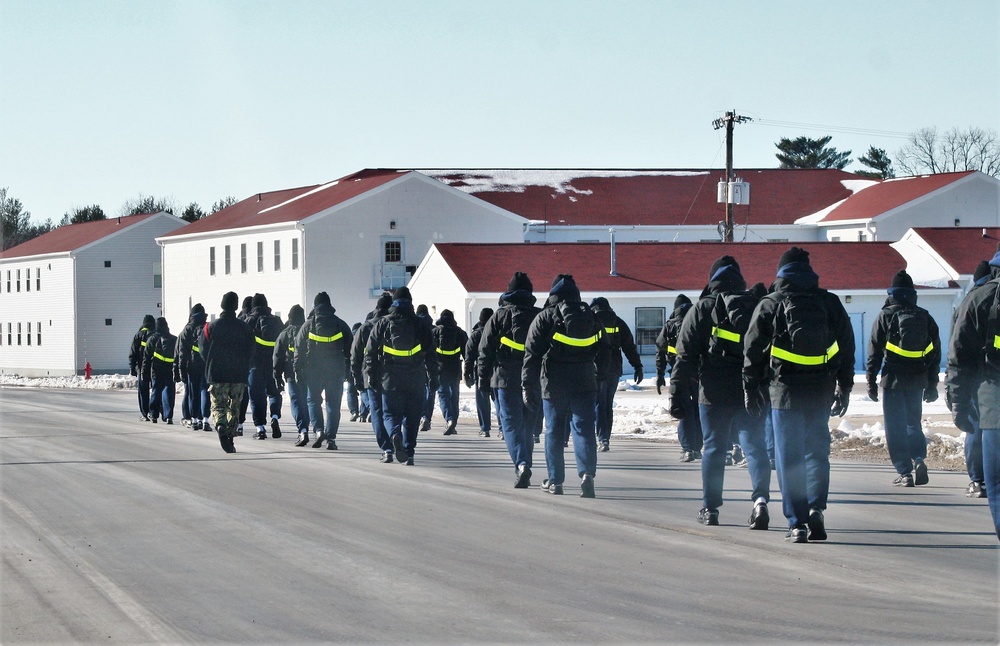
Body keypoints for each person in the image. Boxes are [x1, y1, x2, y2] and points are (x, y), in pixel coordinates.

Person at [744, 247, 855, 543]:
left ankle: (797, 523)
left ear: (780, 274)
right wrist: (844, 386)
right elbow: (846, 346)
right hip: (820, 390)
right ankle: (817, 509)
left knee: (789, 457)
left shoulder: (771, 303)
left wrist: (751, 387)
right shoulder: (829, 303)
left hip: (784, 392)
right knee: (817, 453)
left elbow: (752, 349)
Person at [671, 256, 771, 530]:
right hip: (752, 388)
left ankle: (710, 508)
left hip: (713, 391)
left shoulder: (702, 308)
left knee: (714, 448)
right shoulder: (758, 306)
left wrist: (676, 394)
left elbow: (685, 356)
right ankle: (760, 501)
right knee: (755, 446)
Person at [522, 274, 609, 498]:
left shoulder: (545, 317)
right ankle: (587, 475)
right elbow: (605, 350)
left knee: (554, 430)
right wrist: (600, 380)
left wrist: (527, 386)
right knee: (584, 430)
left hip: (554, 383)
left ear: (553, 295)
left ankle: (555, 481)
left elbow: (531, 354)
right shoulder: (590, 316)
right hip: (585, 382)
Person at [866, 270, 942, 488]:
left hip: (893, 380)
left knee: (895, 427)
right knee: (912, 423)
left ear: (892, 293)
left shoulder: (885, 315)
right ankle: (918, 458)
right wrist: (932, 383)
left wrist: (871, 380)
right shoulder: (925, 316)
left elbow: (874, 351)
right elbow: (934, 353)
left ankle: (904, 472)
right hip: (917, 380)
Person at [947, 248, 1000, 540]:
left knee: (998, 484)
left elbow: (959, 358)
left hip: (993, 405)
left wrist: (957, 401)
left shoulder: (978, 299)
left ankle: (976, 480)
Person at [479, 272, 542, 488]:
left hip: (504, 379)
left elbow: (484, 350)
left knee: (511, 424)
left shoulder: (499, 316)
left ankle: (522, 464)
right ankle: (525, 463)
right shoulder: (540, 315)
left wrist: (482, 378)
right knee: (527, 425)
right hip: (532, 379)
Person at [364, 287, 438, 466]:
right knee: (412, 417)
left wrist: (371, 376)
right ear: (411, 303)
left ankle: (395, 435)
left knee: (390, 415)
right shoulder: (421, 325)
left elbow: (370, 353)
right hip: (415, 379)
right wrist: (434, 377)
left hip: (390, 379)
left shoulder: (382, 323)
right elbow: (431, 355)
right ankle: (409, 452)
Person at [947, 260, 990, 499]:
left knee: (976, 428)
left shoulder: (969, 301)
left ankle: (978, 480)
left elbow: (957, 348)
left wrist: (954, 390)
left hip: (976, 377)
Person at [295, 292, 353, 450]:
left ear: (315, 306)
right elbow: (351, 351)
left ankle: (319, 430)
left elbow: (298, 348)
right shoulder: (340, 324)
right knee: (333, 404)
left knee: (313, 400)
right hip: (335, 370)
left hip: (314, 370)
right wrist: (349, 370)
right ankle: (331, 439)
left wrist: (297, 369)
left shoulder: (308, 324)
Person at [202, 291, 254, 453]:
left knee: (218, 405)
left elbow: (203, 350)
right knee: (234, 407)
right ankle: (230, 438)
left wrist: (211, 363)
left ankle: (220, 426)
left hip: (217, 374)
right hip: (238, 374)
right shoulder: (244, 328)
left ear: (222, 305)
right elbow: (251, 351)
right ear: (236, 306)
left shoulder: (210, 327)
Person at [590, 297, 644, 452]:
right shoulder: (618, 322)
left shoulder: (591, 321)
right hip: (614, 368)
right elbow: (629, 346)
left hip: (596, 367)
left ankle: (601, 438)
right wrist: (637, 366)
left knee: (599, 404)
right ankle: (605, 438)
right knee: (607, 404)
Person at [655, 294, 702, 462]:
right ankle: (697, 448)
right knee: (698, 411)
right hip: (698, 374)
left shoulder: (669, 326)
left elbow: (660, 351)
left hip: (677, 374)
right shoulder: (697, 321)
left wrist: (659, 374)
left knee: (684, 411)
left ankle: (687, 449)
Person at [352, 292, 395, 461]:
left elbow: (355, 354)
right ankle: (395, 437)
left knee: (376, 411)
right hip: (392, 375)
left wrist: (356, 376)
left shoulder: (365, 327)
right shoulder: (395, 325)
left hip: (370, 375)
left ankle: (386, 448)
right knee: (391, 411)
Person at [244, 293, 285, 440]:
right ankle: (274, 416)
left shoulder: (249, 321)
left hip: (254, 365)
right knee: (274, 393)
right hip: (273, 365)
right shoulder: (277, 321)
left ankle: (260, 428)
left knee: (256, 397)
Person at [274, 305, 311, 447]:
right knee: (308, 400)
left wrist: (277, 376)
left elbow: (277, 357)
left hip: (291, 374)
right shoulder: (308, 330)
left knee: (296, 401)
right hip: (309, 372)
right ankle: (309, 426)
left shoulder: (284, 333)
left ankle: (302, 430)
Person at [174, 303, 211, 432]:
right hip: (206, 366)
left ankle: (195, 420)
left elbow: (182, 353)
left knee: (193, 394)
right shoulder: (208, 327)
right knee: (205, 392)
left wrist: (181, 370)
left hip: (192, 366)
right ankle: (205, 420)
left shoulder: (187, 330)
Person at [432, 309, 468, 435]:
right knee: (454, 396)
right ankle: (454, 422)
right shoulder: (460, 332)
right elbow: (466, 353)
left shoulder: (435, 332)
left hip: (440, 368)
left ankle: (449, 419)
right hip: (455, 368)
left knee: (443, 394)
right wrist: (468, 371)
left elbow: (429, 351)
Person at [465, 307, 494, 437]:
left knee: (482, 401)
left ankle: (485, 428)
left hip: (480, 370)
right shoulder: (496, 331)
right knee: (498, 401)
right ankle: (502, 428)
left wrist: (467, 373)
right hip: (496, 370)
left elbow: (469, 355)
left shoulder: (476, 334)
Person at [143, 317, 177, 424]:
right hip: (170, 370)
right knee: (168, 392)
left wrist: (144, 372)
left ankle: (153, 414)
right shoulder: (173, 339)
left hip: (156, 370)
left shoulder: (152, 339)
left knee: (156, 391)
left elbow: (146, 358)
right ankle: (168, 416)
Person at [129, 314, 156, 421]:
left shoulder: (138, 335)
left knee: (143, 391)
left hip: (141, 367)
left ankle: (145, 413)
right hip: (154, 367)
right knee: (156, 389)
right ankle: (154, 411)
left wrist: (132, 367)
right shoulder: (155, 335)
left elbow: (133, 353)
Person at [415, 303, 435, 432]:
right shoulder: (433, 328)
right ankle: (427, 416)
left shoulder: (415, 326)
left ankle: (422, 415)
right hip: (431, 362)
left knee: (421, 391)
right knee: (431, 391)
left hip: (417, 364)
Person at [347, 322, 368, 422]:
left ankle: (354, 412)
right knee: (364, 389)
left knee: (351, 391)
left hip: (353, 367)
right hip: (364, 366)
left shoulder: (352, 337)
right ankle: (363, 414)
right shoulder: (365, 334)